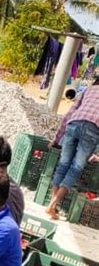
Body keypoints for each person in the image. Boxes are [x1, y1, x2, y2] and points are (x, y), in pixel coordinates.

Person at [45, 78, 99, 219]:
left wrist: (56, 139)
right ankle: (53, 205)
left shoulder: (88, 90)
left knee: (63, 164)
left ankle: (51, 203)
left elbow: (69, 113)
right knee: (75, 168)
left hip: (73, 123)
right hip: (92, 130)